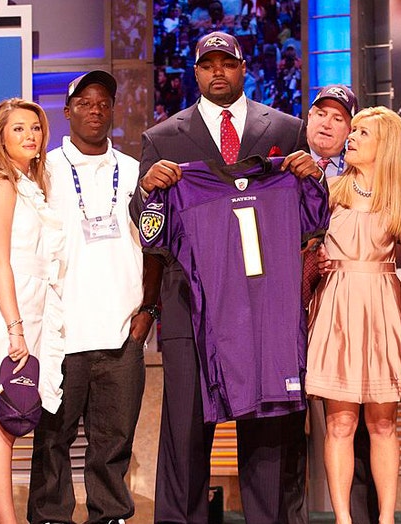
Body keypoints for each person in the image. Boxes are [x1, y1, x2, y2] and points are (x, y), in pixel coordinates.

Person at [131, 31, 321, 524]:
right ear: (195, 72)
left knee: (268, 427)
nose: (218, 71)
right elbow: (149, 227)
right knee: (186, 431)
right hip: (189, 301)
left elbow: (307, 221)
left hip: (264, 303)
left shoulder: (286, 128)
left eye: (227, 63)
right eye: (207, 64)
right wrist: (147, 190)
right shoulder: (162, 137)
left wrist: (313, 176)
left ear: (243, 68)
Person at [27, 70, 152, 524]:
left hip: (121, 330)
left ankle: (111, 515)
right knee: (53, 439)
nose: (95, 110)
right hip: (62, 329)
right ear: (67, 111)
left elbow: (154, 245)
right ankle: (50, 517)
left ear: (113, 111)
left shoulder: (135, 171)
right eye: (84, 103)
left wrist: (148, 311)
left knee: (114, 441)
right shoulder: (43, 170)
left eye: (103, 103)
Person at [306, 107, 401, 524]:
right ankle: (344, 519)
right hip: (337, 307)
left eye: (363, 133)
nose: (351, 137)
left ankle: (386, 518)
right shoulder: (329, 190)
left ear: (385, 146)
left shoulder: (400, 198)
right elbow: (302, 244)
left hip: (382, 308)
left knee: (383, 424)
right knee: (340, 422)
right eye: (355, 131)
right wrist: (315, 257)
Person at [0, 98, 65, 524]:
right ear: (0, 136)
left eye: (35, 128)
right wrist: (14, 327)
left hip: (32, 309)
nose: (31, 135)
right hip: (8, 312)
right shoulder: (1, 181)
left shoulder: (32, 183)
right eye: (19, 129)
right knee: (2, 423)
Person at [305, 84, 380, 524]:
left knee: (362, 425)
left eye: (339, 118)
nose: (327, 124)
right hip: (295, 312)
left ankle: (363, 516)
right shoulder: (286, 168)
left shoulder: (367, 175)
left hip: (352, 312)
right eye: (320, 114)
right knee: (293, 427)